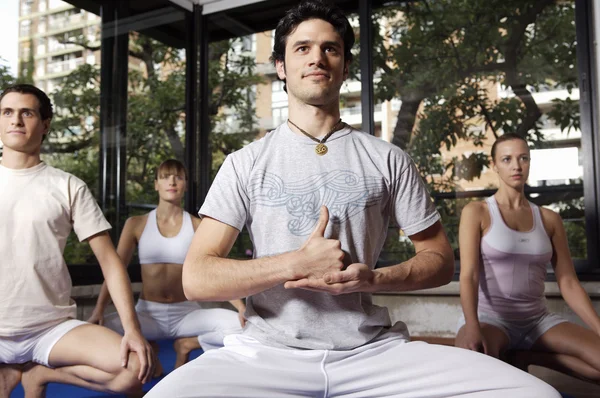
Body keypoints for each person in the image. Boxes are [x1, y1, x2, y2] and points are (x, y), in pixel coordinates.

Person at [146, 1, 560, 397]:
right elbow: (197, 277)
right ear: (281, 67)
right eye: (302, 48)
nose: (317, 58)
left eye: (331, 48)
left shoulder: (387, 159)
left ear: (344, 65)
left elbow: (438, 260)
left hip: (372, 352)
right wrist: (295, 263)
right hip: (267, 353)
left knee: (533, 392)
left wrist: (375, 278)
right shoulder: (245, 163)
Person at [0, 84, 154, 398]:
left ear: (44, 125)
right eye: (7, 112)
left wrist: (132, 329)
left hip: (49, 328)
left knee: (134, 368)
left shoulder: (67, 186)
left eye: (26, 112)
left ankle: (39, 373)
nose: (16, 120)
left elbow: (111, 263)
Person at [455, 133, 600, 383]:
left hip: (538, 320)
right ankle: (507, 353)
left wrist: (599, 328)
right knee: (471, 366)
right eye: (507, 159)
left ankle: (527, 357)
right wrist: (472, 325)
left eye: (523, 158)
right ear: (494, 165)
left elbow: (568, 282)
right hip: (492, 318)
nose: (516, 166)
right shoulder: (476, 212)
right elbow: (468, 275)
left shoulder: (549, 219)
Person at [88, 159, 245, 372]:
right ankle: (148, 348)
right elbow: (115, 269)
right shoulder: (136, 224)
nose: (172, 182)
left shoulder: (198, 225)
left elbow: (214, 268)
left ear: (185, 185)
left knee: (241, 325)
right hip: (147, 315)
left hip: (187, 314)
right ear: (156, 184)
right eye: (165, 177)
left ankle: (187, 344)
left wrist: (241, 307)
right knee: (97, 329)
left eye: (178, 177)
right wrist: (99, 309)